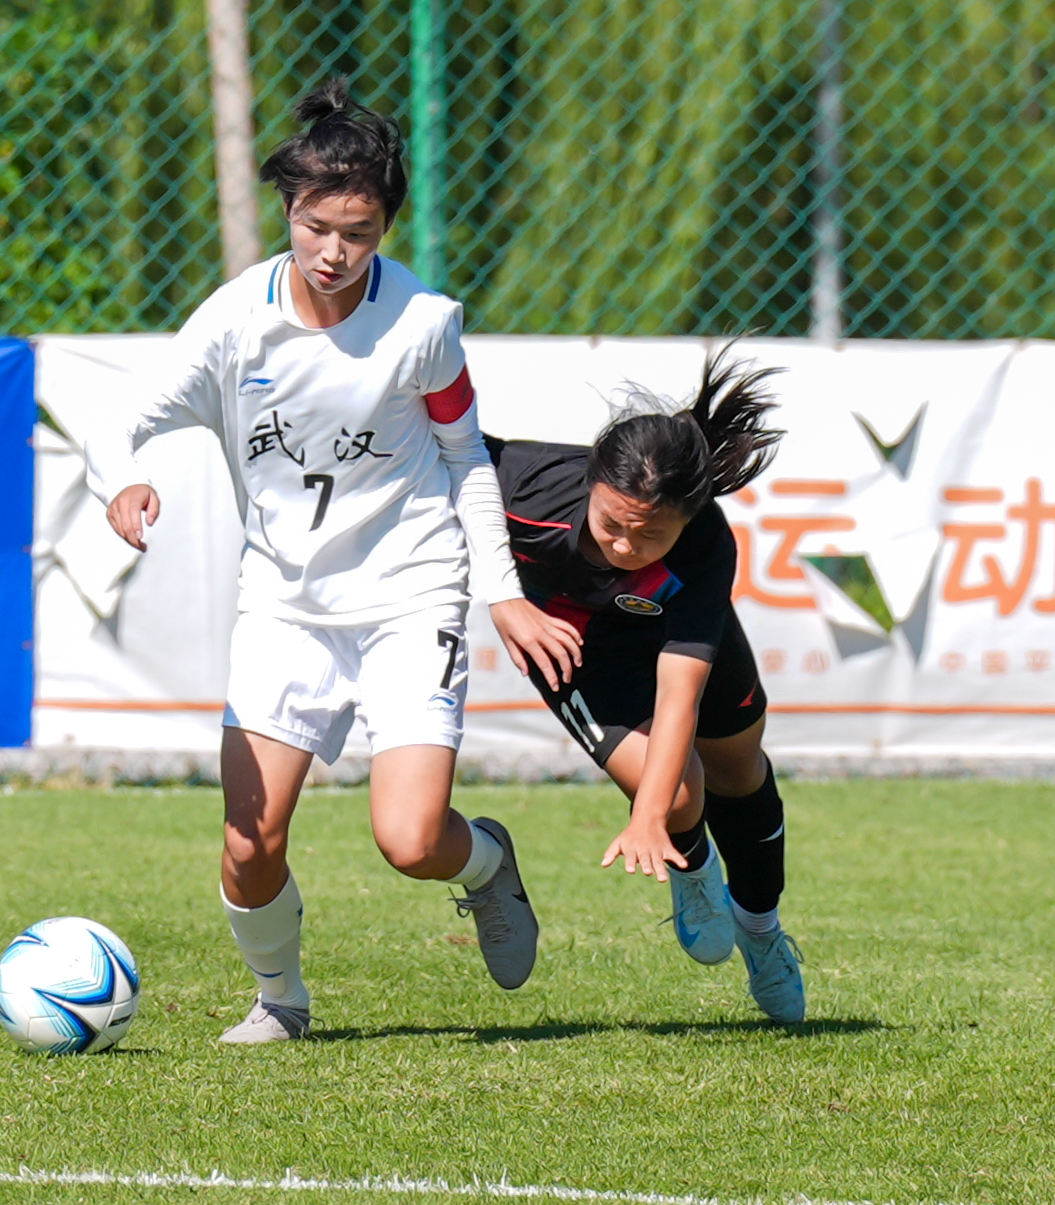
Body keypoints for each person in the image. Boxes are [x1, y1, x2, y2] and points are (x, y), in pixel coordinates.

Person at [86, 79, 582, 1043]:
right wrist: (126, 479)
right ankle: (281, 998)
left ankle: (482, 864)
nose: (332, 251)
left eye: (357, 231)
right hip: (284, 605)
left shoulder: (424, 326)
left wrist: (505, 596)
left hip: (409, 592)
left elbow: (466, 456)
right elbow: (127, 416)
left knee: (407, 840)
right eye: (316, 226)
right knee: (246, 841)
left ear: (387, 221)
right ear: (289, 211)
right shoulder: (234, 323)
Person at [486, 348, 805, 1024]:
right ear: (591, 481)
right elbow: (433, 448)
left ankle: (763, 933)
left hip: (670, 647)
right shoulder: (520, 483)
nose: (625, 547)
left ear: (687, 519)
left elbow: (678, 694)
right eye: (610, 525)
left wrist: (643, 817)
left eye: (650, 533)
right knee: (681, 790)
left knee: (737, 768)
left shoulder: (705, 546)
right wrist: (501, 602)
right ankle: (694, 875)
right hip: (578, 647)